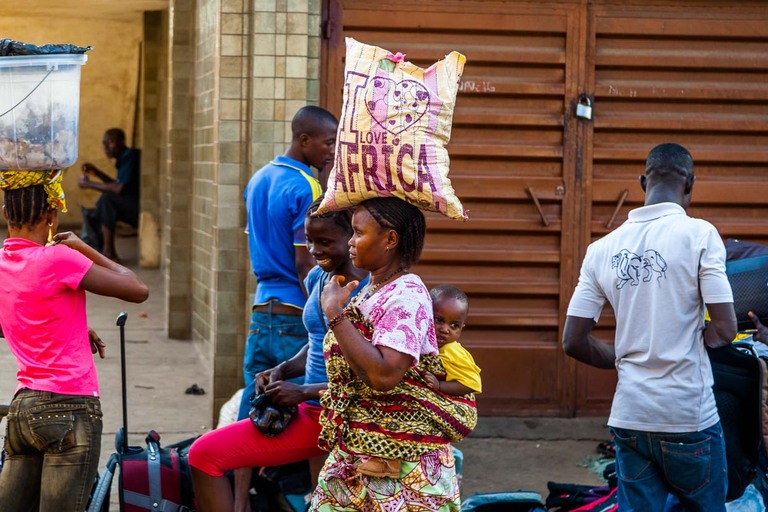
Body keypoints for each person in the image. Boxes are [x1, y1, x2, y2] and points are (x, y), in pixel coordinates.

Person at [562, 143, 737, 512]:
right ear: (690, 184)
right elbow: (725, 328)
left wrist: (624, 359)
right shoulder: (700, 235)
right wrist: (692, 341)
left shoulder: (601, 249)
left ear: (643, 182)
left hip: (630, 416)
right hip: (688, 417)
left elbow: (573, 341)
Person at [189, 199, 367, 511]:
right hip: (310, 411)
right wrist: (282, 369)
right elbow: (316, 341)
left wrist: (302, 392)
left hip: (344, 416)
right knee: (205, 455)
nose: (314, 250)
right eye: (309, 241)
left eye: (325, 242)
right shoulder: (317, 278)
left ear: (351, 237)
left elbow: (370, 374)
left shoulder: (369, 289)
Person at [312, 196, 477, 511]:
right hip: (361, 457)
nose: (350, 242)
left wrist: (335, 312)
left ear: (389, 239)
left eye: (359, 233)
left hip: (401, 471)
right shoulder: (376, 289)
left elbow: (384, 375)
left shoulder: (406, 297)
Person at [0, 169, 149, 511]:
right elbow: (137, 289)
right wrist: (85, 247)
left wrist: (68, 328)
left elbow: (16, 316)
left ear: (7, 213)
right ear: (52, 215)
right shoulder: (60, 258)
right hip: (71, 410)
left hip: (23, 412)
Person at [235, 105, 338, 505]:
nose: (332, 150)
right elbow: (304, 263)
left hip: (263, 312)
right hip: (298, 318)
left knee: (252, 410)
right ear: (304, 140)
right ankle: (318, 499)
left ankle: (239, 501)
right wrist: (325, 312)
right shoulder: (306, 188)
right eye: (328, 142)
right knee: (313, 418)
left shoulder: (259, 179)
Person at [78, 127, 141, 261]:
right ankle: (103, 249)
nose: (106, 146)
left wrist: (88, 184)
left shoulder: (131, 155)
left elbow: (118, 189)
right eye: (104, 143)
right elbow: (119, 186)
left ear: (122, 141)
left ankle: (108, 251)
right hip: (133, 205)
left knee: (107, 200)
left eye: (111, 141)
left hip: (141, 209)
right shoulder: (123, 159)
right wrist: (97, 173)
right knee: (105, 203)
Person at [424, 284, 482, 396]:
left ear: (462, 328)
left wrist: (440, 385)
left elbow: (472, 383)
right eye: (439, 320)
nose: (445, 330)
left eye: (454, 325)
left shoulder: (453, 351)